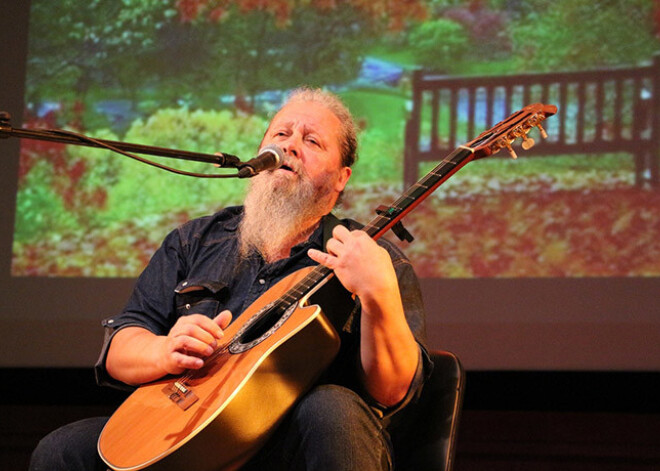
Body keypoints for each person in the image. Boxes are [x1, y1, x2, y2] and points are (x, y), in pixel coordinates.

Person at [29, 88, 432, 471]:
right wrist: (165, 349)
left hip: (295, 448)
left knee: (330, 407)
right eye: (281, 133)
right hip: (187, 436)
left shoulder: (370, 259)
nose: (290, 145)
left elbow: (393, 392)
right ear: (260, 153)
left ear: (342, 177)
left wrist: (379, 292)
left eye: (312, 141)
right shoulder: (194, 241)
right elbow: (120, 349)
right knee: (62, 450)